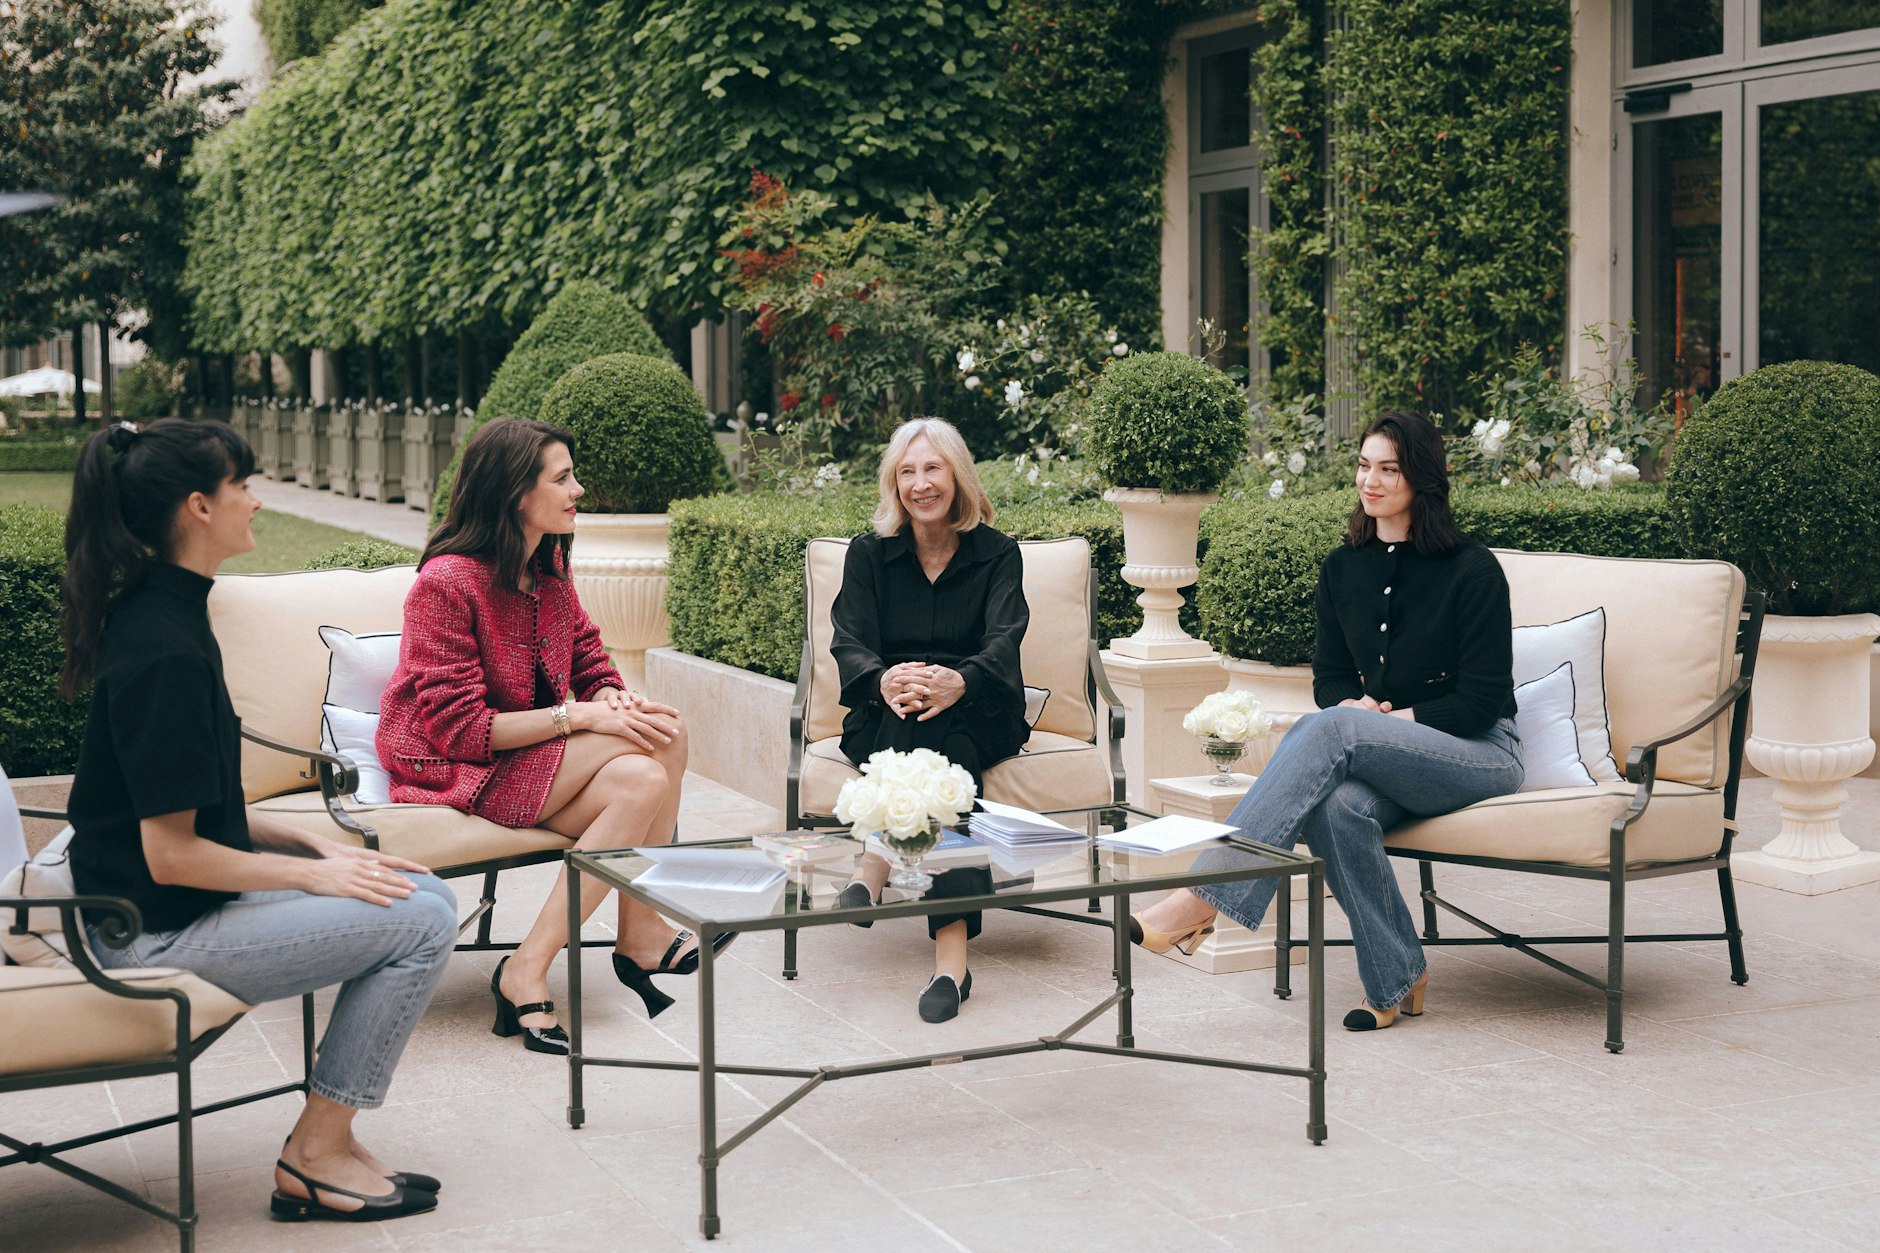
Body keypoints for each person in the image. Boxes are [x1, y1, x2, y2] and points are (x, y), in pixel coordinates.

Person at [61, 419, 456, 1224]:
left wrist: (304, 838)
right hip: (142, 934)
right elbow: (171, 855)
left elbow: (196, 805)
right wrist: (319, 873)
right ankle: (314, 1151)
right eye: (242, 486)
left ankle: (328, 1142)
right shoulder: (163, 645)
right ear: (199, 508)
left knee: (421, 895)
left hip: (156, 907)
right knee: (419, 920)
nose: (256, 500)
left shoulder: (171, 615)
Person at [1130, 411, 1525, 1031]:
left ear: (1423, 477)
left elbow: (1483, 699)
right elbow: (1332, 677)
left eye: (1389, 469)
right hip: (1392, 750)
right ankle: (1398, 977)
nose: (1371, 481)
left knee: (1333, 730)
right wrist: (1354, 707)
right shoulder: (1344, 567)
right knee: (1338, 807)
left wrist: (1386, 717)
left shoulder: (1472, 571)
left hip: (1480, 753)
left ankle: (1200, 897)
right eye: (1365, 465)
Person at [377, 417, 716, 1054]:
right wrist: (582, 717)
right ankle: (638, 931)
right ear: (515, 495)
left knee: (654, 750)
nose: (578, 489)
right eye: (562, 479)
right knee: (649, 747)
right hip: (455, 763)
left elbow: (589, 660)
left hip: (525, 753)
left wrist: (610, 694)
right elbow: (458, 731)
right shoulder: (446, 583)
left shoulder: (547, 570)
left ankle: (532, 964)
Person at [829, 418, 1029, 1023]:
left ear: (957, 476)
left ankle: (871, 869)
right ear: (895, 483)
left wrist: (960, 680)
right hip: (888, 704)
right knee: (936, 744)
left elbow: (1005, 638)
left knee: (942, 730)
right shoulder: (869, 555)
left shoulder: (997, 553)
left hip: (979, 702)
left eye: (933, 468)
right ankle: (952, 965)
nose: (921, 484)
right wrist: (887, 680)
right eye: (908, 471)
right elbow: (850, 639)